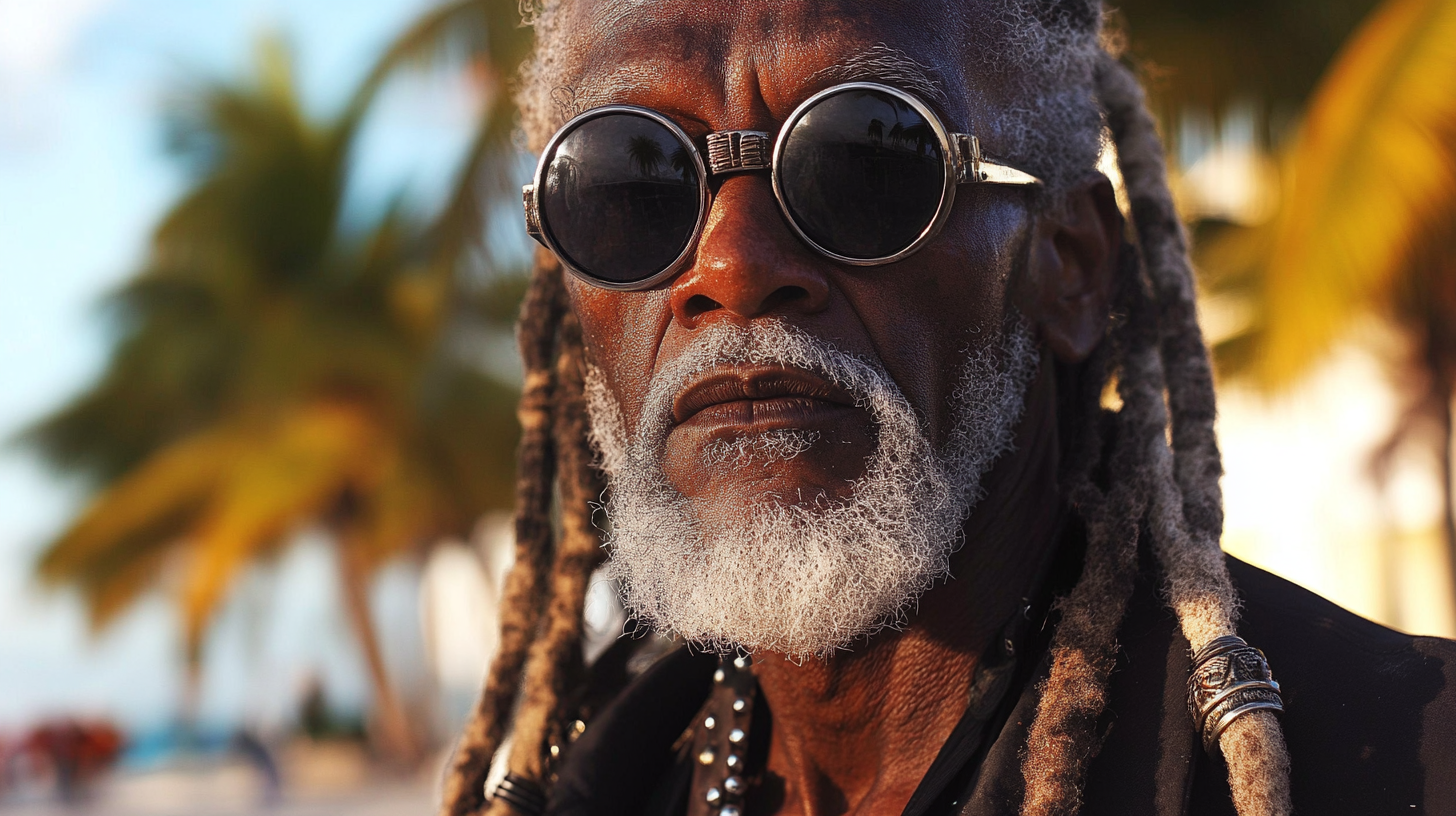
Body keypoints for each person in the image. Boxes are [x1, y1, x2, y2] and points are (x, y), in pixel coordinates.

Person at [441, 2, 1456, 815]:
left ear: (1069, 263)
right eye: (627, 180)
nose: (730, 265)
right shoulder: (609, 774)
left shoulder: (1407, 752)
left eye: (863, 160)